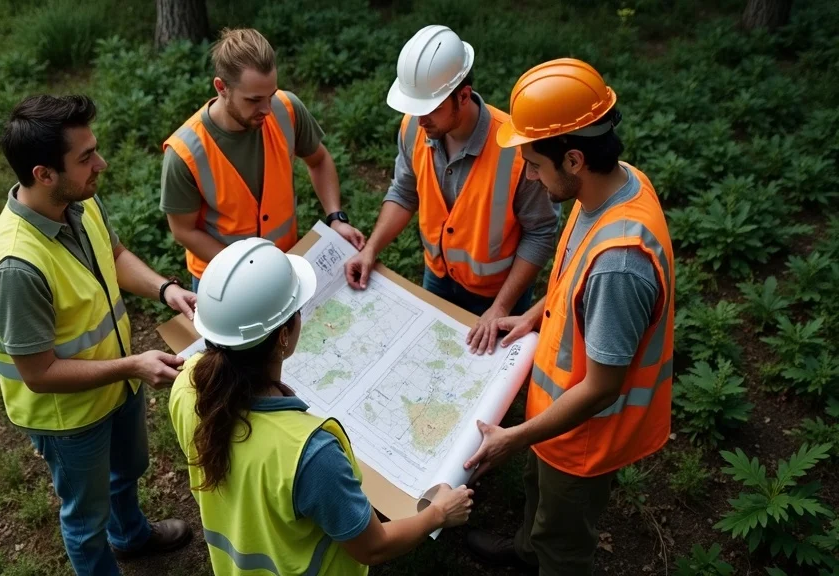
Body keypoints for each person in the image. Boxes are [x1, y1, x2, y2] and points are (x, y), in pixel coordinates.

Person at [460, 59, 676, 576]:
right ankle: (527, 550)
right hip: (553, 426)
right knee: (540, 503)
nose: (530, 175)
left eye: (535, 163)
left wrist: (515, 437)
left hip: (584, 439)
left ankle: (546, 558)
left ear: (574, 158)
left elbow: (601, 387)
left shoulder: (620, 265)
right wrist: (532, 315)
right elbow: (570, 281)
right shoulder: (612, 187)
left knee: (564, 541)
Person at [0, 94, 196, 576]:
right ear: (43, 174)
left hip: (117, 385)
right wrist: (134, 364)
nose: (102, 163)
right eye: (86, 157)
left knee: (125, 476)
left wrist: (165, 290)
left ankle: (131, 536)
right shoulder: (15, 269)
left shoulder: (79, 201)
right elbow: (40, 373)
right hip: (70, 418)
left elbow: (113, 256)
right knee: (84, 519)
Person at [168, 237, 474, 575]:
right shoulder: (311, 453)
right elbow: (374, 546)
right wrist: (439, 513)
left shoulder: (186, 384)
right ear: (284, 336)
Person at [344, 25, 558, 356]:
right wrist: (371, 249)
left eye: (430, 108)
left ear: (463, 95)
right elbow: (404, 192)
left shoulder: (518, 151)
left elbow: (541, 231)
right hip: (438, 275)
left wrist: (501, 307)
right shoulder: (414, 126)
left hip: (497, 293)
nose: (420, 118)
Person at [161, 27, 366, 292]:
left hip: (285, 264)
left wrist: (336, 217)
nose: (267, 109)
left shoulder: (287, 108)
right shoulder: (184, 153)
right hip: (223, 281)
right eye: (254, 100)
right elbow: (183, 231)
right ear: (221, 87)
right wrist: (246, 269)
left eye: (270, 95)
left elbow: (320, 160)